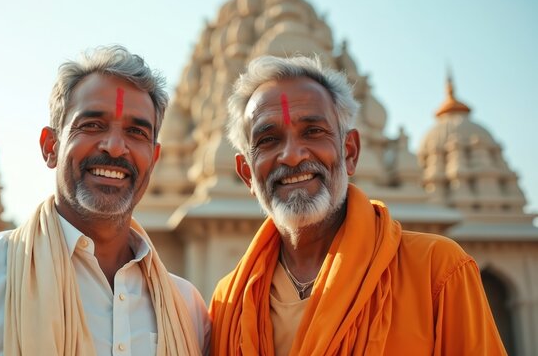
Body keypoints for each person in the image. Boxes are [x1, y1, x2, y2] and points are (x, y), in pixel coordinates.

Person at [0, 45, 210, 356]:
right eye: (92, 125)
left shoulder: (185, 307)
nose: (115, 147)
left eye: (136, 132)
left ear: (155, 158)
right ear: (50, 146)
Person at [209, 55, 506, 355]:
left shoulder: (437, 270)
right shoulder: (228, 303)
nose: (292, 155)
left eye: (313, 131)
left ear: (350, 151)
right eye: (268, 139)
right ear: (247, 173)